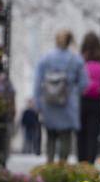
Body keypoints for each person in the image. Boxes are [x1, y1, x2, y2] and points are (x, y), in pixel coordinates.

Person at [33, 29, 87, 163]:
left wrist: (38, 103)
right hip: (68, 104)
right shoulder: (76, 60)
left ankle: (49, 167)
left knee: (50, 137)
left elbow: (37, 82)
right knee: (65, 137)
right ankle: (62, 168)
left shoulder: (45, 58)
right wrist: (73, 93)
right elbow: (84, 83)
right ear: (70, 41)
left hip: (49, 103)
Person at [77, 32, 100, 163]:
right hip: (97, 103)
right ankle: (90, 164)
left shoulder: (80, 62)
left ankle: (81, 163)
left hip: (82, 102)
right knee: (93, 135)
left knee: (81, 135)